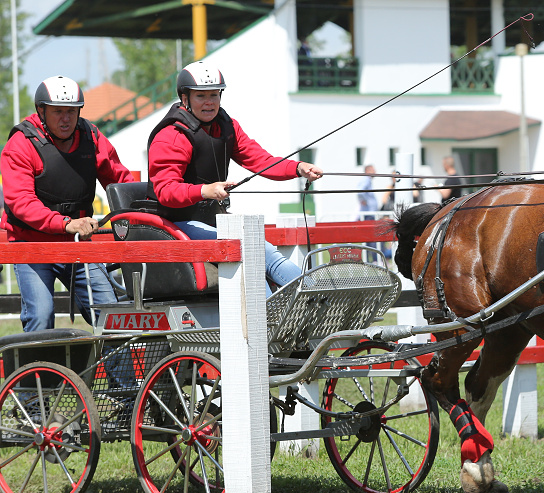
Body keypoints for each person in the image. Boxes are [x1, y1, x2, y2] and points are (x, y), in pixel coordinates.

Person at [147, 61, 322, 297]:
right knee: (252, 249)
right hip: (176, 224)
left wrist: (298, 167)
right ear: (185, 98)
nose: (209, 102)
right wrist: (204, 191)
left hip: (212, 220)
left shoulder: (227, 126)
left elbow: (259, 160)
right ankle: (294, 305)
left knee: (264, 250)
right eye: (201, 96)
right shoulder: (172, 136)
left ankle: (314, 299)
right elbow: (166, 191)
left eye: (214, 95)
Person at [1, 76, 134, 331]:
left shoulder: (91, 137)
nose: (66, 118)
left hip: (77, 243)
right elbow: (21, 202)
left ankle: (122, 373)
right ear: (42, 111)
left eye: (71, 112)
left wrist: (144, 209)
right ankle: (41, 372)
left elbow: (120, 181)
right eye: (58, 111)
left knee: (112, 313)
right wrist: (65, 224)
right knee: (40, 316)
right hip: (32, 246)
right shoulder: (20, 144)